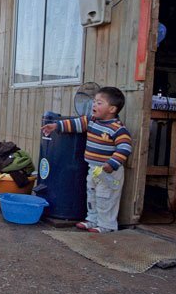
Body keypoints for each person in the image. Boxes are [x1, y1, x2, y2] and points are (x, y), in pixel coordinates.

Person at [41, 87, 132, 233]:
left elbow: (125, 147)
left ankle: (106, 225)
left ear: (112, 109)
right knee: (92, 195)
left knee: (105, 198)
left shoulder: (117, 128)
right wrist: (56, 126)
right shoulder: (91, 120)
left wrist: (112, 163)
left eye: (99, 103)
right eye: (94, 102)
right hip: (94, 169)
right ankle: (92, 219)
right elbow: (75, 124)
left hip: (109, 172)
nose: (94, 105)